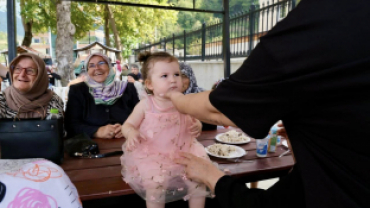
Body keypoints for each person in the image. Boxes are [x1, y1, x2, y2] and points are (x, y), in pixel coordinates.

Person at [164, 1, 370, 208]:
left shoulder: (318, 22)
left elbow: (221, 110)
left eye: (176, 75)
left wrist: (212, 177)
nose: (172, 80)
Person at [120, 51, 209, 208]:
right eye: (165, 76)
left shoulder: (184, 102)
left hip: (185, 150)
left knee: (198, 182)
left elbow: (195, 120)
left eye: (176, 74)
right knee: (156, 186)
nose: (173, 80)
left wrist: (198, 125)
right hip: (154, 155)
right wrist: (132, 132)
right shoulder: (147, 105)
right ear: (150, 84)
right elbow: (127, 125)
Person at [65, 53, 139, 139]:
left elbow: (142, 118)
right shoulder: (77, 91)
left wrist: (127, 128)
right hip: (92, 148)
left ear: (109, 67)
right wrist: (97, 131)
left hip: (129, 142)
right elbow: (71, 125)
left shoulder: (128, 88)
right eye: (91, 65)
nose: (97, 68)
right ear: (87, 70)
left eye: (101, 63)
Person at [0, 53, 64, 119]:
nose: (22, 75)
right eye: (18, 68)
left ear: (40, 76)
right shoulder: (2, 99)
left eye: (30, 70)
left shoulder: (53, 100)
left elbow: (55, 127)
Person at [180, 62, 216, 131]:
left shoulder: (202, 95)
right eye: (176, 75)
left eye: (184, 76)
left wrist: (199, 122)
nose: (180, 80)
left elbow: (213, 123)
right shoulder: (165, 99)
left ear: (191, 77)